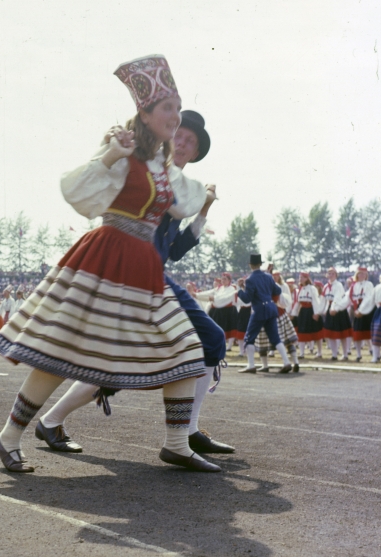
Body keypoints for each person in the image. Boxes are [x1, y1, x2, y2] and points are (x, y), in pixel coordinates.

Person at [0, 54, 220, 474]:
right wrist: (112, 155)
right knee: (63, 352)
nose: (176, 116)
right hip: (107, 257)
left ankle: (176, 445)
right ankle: (8, 437)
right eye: (169, 108)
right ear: (146, 114)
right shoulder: (125, 148)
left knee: (186, 348)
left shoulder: (163, 165)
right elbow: (75, 189)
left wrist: (204, 202)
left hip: (143, 267)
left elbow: (183, 202)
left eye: (177, 107)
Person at [36, 110, 233, 456]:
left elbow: (174, 250)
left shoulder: (178, 187)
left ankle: (187, 430)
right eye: (181, 136)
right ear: (167, 135)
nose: (184, 144)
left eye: (192, 142)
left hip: (154, 277)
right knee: (116, 362)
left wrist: (203, 211)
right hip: (129, 277)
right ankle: (48, 421)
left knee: (207, 341)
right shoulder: (149, 172)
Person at [236, 256, 293, 374]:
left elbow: (247, 299)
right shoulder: (268, 276)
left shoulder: (250, 279)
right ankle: (286, 362)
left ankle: (251, 365)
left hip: (259, 310)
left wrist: (239, 289)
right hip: (271, 308)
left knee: (249, 337)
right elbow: (277, 291)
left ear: (250, 265)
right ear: (260, 264)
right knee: (275, 337)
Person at [254, 271, 299, 372]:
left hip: (267, 314)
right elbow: (283, 301)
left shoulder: (262, 286)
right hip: (279, 312)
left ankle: (267, 365)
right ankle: (295, 362)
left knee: (264, 340)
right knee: (286, 339)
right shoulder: (276, 285)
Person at [334, 266, 374, 362]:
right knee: (357, 333)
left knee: (370, 333)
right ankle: (359, 354)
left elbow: (368, 298)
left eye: (364, 274)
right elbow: (346, 300)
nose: (362, 275)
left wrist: (361, 310)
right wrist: (336, 308)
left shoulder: (369, 284)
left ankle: (375, 354)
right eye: (360, 273)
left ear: (366, 275)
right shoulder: (353, 287)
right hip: (357, 310)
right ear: (357, 275)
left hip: (367, 310)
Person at [196, 273, 238, 351]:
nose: (223, 280)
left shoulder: (231, 289)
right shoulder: (219, 288)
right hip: (218, 311)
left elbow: (221, 298)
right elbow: (208, 292)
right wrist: (197, 295)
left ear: (229, 280)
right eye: (222, 279)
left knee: (226, 330)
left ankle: (227, 347)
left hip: (227, 311)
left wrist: (212, 298)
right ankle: (218, 346)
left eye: (225, 279)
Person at [321, 267, 353, 360]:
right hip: (330, 310)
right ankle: (334, 354)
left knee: (342, 334)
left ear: (336, 275)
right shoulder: (326, 287)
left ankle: (345, 354)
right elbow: (324, 300)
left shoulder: (338, 285)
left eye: (333, 273)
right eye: (329, 273)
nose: (330, 275)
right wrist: (323, 310)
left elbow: (337, 298)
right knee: (331, 334)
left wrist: (333, 308)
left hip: (339, 310)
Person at [292, 272, 324, 358]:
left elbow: (316, 301)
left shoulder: (312, 288)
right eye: (300, 277)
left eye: (302, 277)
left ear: (307, 278)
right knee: (301, 332)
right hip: (303, 312)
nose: (300, 279)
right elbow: (298, 302)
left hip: (311, 311)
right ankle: (302, 353)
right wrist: (293, 313)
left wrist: (316, 313)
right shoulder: (301, 289)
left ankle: (319, 352)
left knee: (316, 332)